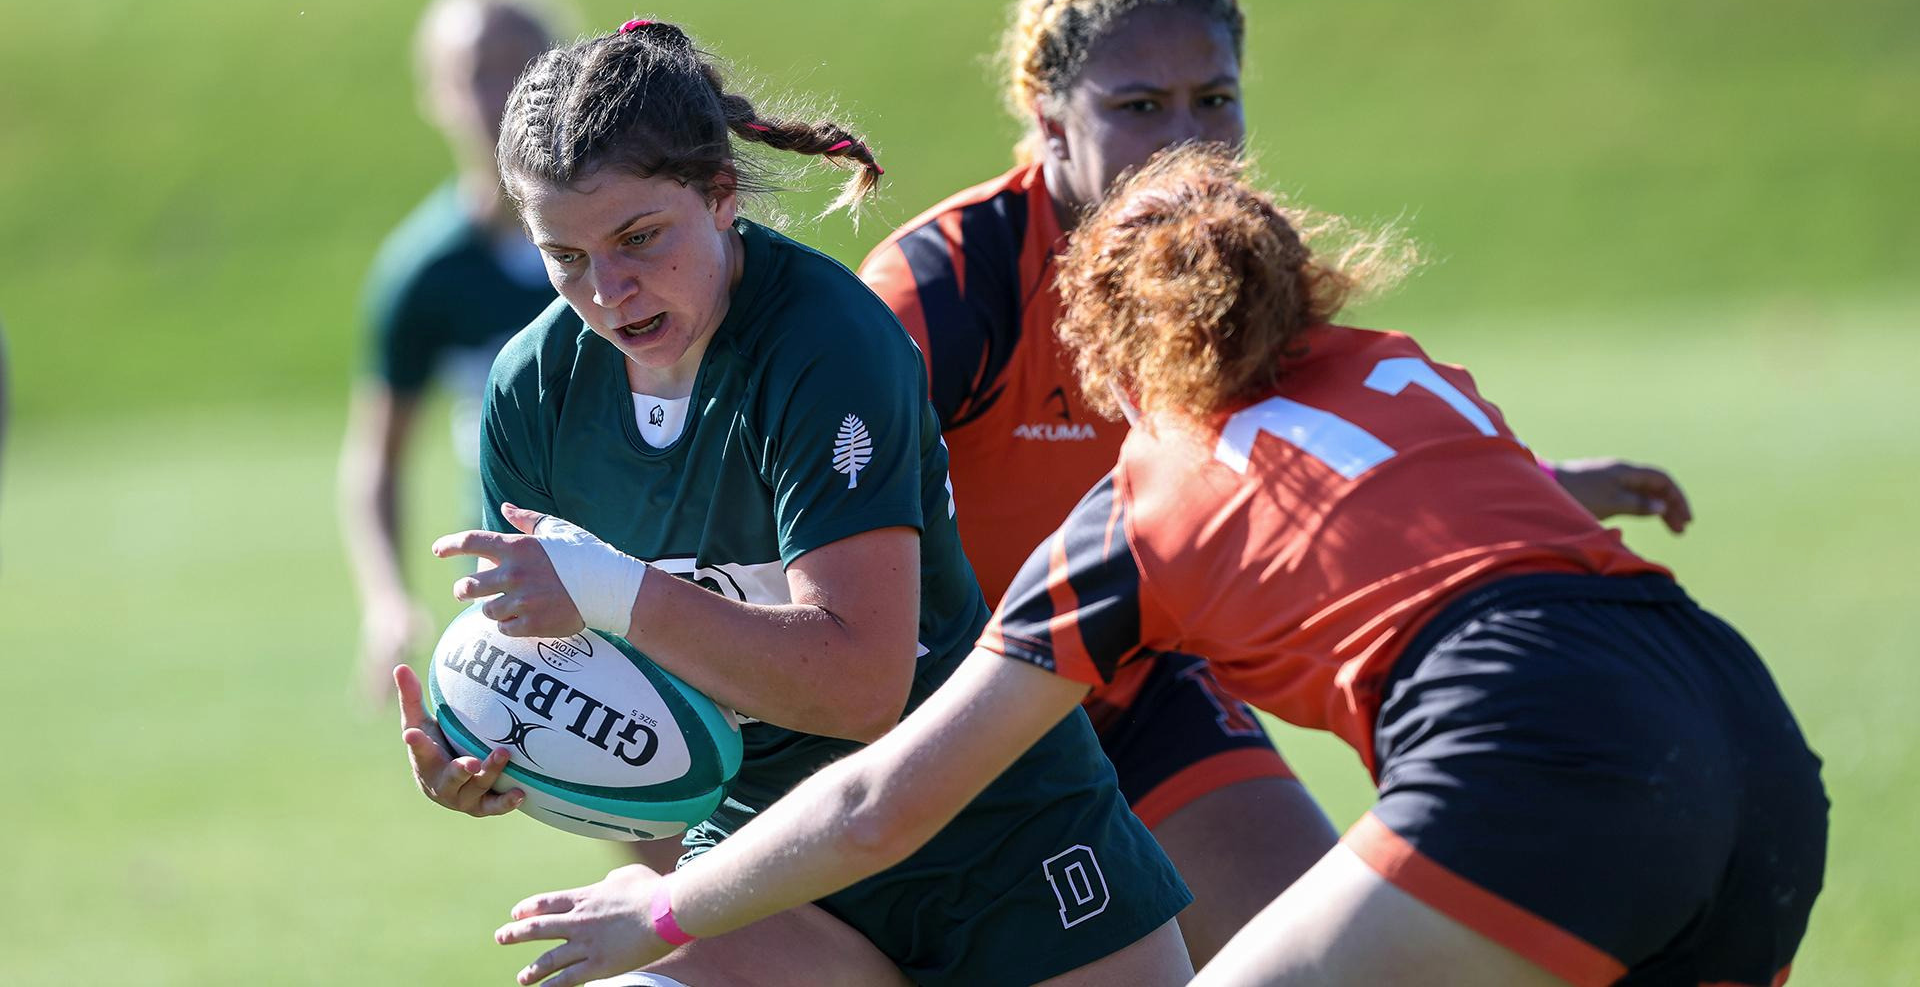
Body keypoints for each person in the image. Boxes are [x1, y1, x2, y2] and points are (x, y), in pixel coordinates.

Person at [492, 146, 1826, 987]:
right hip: (1749, 734)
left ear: (1111, 362)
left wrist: (664, 918)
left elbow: (883, 805)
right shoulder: (1396, 365)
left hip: (1533, 745)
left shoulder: (1138, 506)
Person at [858, 0, 1691, 965]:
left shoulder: (1229, 263)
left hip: (1135, 684)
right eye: (1138, 106)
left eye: (1215, 99)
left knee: (1331, 958)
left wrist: (1539, 488)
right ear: (1044, 113)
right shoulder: (945, 286)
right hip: (942, 709)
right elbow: (809, 517)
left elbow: (1309, 460)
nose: (1186, 143)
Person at [394, 18, 1192, 987]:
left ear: (722, 195)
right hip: (763, 862)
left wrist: (614, 591)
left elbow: (858, 688)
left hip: (992, 841)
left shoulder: (825, 345)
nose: (609, 289)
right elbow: (597, 683)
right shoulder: (531, 392)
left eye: (640, 237)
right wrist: (497, 747)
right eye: (564, 257)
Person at [339, 0, 572, 708]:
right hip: (521, 573)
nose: (501, 91)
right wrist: (387, 601)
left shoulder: (623, 240)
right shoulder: (426, 272)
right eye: (476, 73)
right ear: (436, 96)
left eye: (521, 63)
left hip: (661, 548)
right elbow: (376, 458)